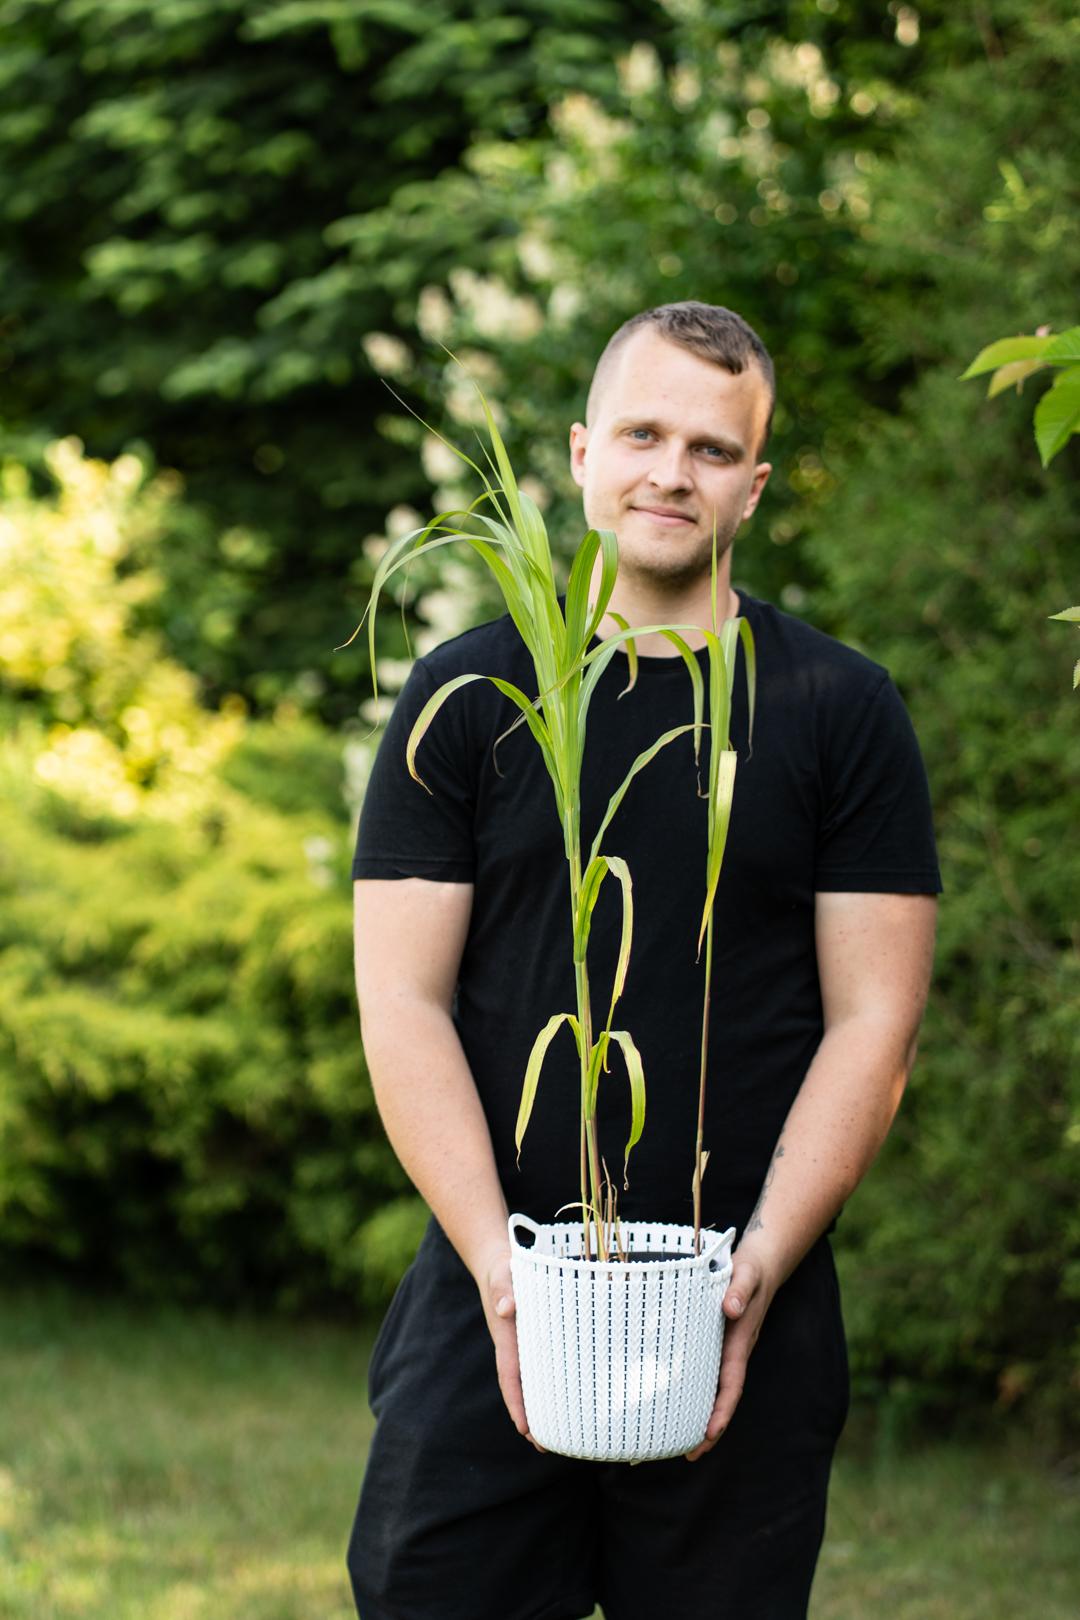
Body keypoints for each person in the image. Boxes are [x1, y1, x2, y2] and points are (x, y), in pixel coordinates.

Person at [346, 301, 940, 1620]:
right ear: (579, 453)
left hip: (751, 1308)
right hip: (489, 1301)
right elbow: (401, 1000)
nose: (672, 472)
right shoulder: (467, 693)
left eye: (714, 449)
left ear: (758, 485)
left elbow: (876, 1023)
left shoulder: (838, 709)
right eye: (643, 433)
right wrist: (507, 1282)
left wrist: (754, 1279)